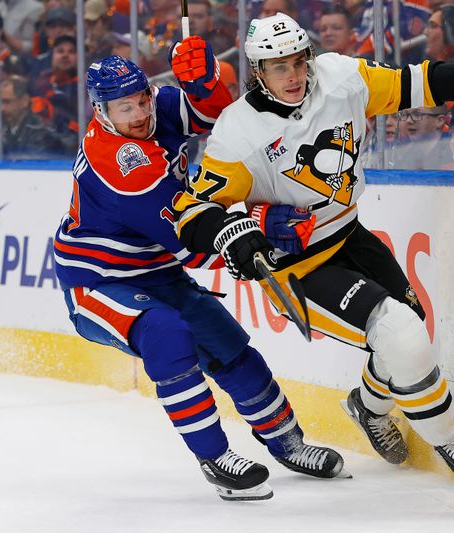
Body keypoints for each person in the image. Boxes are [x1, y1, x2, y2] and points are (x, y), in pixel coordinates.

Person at [174, 12, 454, 486]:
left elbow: (416, 82)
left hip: (351, 235)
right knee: (402, 335)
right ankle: (451, 439)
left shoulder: (342, 78)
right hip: (297, 267)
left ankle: (367, 408)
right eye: (277, 67)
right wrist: (232, 230)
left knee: (406, 333)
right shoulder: (239, 132)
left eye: (297, 61)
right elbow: (193, 210)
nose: (292, 76)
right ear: (257, 71)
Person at [53, 42, 346, 501]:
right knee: (168, 334)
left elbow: (221, 121)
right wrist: (258, 227)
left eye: (142, 100)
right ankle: (214, 457)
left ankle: (289, 443)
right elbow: (191, 240)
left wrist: (204, 82)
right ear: (101, 111)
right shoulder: (119, 164)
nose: (138, 114)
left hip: (159, 272)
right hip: (99, 282)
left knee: (230, 348)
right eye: (123, 107)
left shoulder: (159, 108)